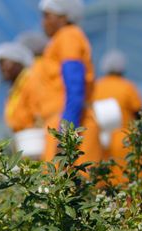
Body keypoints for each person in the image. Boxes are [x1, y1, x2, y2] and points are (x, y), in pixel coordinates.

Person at [38, 0, 102, 164]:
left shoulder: (68, 36)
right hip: (65, 122)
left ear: (64, 17)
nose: (43, 22)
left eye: (47, 16)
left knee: (66, 184)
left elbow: (75, 86)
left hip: (72, 124)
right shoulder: (63, 38)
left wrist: (65, 134)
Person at [93, 50, 142, 183]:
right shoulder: (127, 87)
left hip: (101, 141)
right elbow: (139, 114)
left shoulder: (96, 87)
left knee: (105, 182)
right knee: (129, 182)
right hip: (125, 140)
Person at [0, 41, 38, 133]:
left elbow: (39, 116)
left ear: (19, 63)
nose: (2, 69)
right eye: (0, 65)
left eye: (5, 63)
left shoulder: (31, 82)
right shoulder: (14, 91)